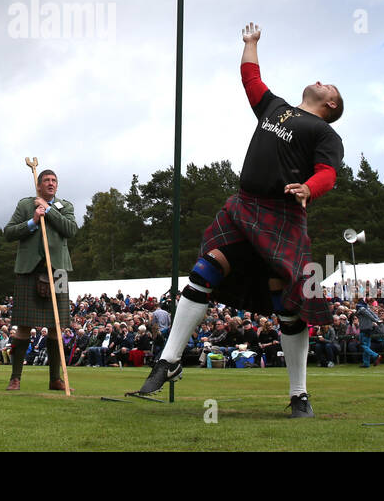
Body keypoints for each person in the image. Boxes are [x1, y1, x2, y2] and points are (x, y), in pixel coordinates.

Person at [138, 23, 343, 419]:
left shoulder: (323, 133)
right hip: (244, 206)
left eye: (329, 86)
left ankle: (299, 394)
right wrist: (250, 44)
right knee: (207, 266)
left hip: (281, 215)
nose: (321, 82)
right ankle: (169, 360)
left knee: (287, 300)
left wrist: (309, 189)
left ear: (331, 105)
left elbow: (328, 173)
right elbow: (251, 78)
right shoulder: (276, 107)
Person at [3, 168, 77, 391]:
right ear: (38, 185)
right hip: (29, 268)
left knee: (58, 325)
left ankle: (56, 379)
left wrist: (49, 211)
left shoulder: (66, 206)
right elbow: (8, 232)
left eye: (54, 180)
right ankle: (15, 378)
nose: (51, 183)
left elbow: (71, 230)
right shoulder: (25, 205)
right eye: (46, 180)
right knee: (23, 325)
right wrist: (33, 221)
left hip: (59, 270)